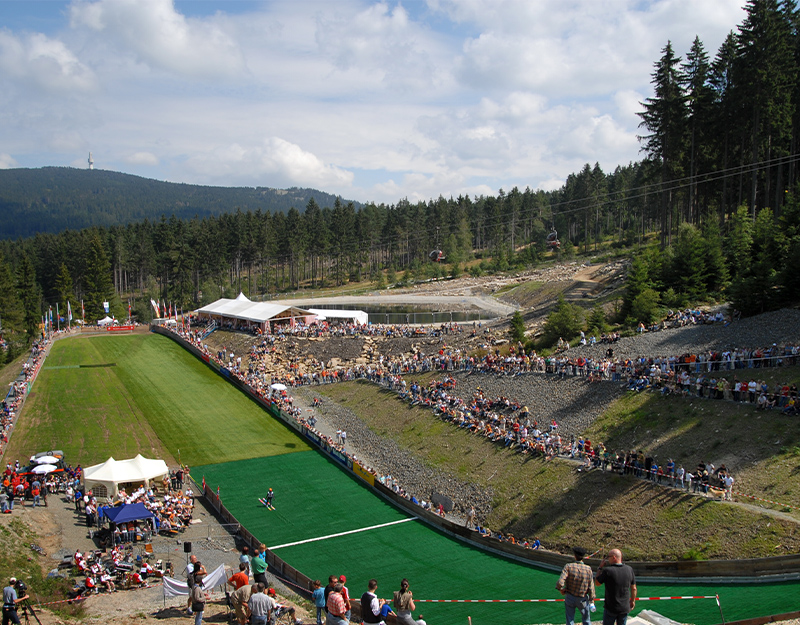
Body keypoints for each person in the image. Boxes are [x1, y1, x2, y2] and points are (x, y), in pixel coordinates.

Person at [595, 549, 637, 625]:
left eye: (608, 557)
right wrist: (632, 600)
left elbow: (597, 583)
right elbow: (633, 588)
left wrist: (600, 568)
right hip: (624, 607)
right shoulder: (629, 569)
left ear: (614, 557)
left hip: (611, 607)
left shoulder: (608, 571)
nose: (607, 559)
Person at [556, 546, 595, 625]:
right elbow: (591, 587)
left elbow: (560, 582)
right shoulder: (588, 569)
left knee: (570, 620)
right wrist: (591, 599)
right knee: (586, 620)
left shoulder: (568, 566)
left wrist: (560, 589)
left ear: (574, 556)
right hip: (583, 598)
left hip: (570, 596)